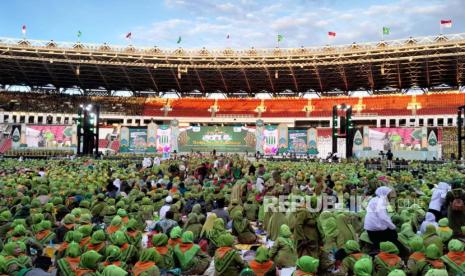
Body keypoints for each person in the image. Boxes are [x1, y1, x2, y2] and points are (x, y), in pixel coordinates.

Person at [364, 187, 403, 252]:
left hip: (370, 227)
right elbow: (383, 217)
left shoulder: (374, 199)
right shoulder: (380, 201)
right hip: (376, 228)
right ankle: (400, 252)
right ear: (385, 194)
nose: (390, 196)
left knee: (378, 244)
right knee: (393, 236)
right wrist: (393, 227)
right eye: (389, 194)